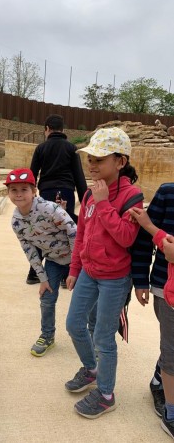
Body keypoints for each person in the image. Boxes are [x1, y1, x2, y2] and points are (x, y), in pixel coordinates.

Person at [65, 127, 143, 419]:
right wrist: (75, 269)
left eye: (100, 158)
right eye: (90, 158)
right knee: (74, 324)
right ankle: (92, 369)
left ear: (120, 162)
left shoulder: (132, 195)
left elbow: (126, 237)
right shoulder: (88, 193)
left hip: (115, 278)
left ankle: (106, 394)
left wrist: (104, 203)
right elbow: (82, 235)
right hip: (89, 272)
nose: (92, 164)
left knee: (103, 337)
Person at [5, 167, 77, 357]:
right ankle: (47, 336)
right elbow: (29, 251)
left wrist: (76, 266)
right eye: (14, 190)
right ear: (8, 193)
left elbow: (73, 232)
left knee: (87, 301)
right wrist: (42, 278)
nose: (19, 194)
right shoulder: (16, 221)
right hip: (53, 260)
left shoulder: (50, 208)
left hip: (78, 260)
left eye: (24, 189)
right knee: (46, 299)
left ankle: (94, 338)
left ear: (34, 191)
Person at [129, 184, 174, 439]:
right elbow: (144, 241)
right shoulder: (168, 193)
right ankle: (171, 414)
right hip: (165, 289)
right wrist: (140, 280)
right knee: (172, 351)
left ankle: (158, 380)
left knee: (171, 347)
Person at [27, 114, 87, 285]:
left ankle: (34, 273)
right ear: (63, 130)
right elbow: (79, 177)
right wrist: (85, 202)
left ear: (47, 129)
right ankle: (65, 275)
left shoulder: (41, 148)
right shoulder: (71, 148)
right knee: (66, 231)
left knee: (41, 229)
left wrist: (31, 195)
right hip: (66, 192)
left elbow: (32, 174)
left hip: (46, 193)